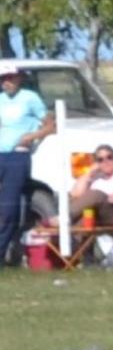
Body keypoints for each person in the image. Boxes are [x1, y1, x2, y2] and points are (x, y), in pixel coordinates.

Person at [0, 61, 55, 267]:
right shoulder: (1, 100)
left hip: (17, 154)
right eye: (3, 79)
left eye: (10, 78)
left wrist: (31, 136)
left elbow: (50, 124)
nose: (7, 83)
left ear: (18, 77)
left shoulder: (30, 98)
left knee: (9, 207)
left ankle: (3, 252)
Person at [69, 145, 113, 227]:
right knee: (86, 215)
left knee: (97, 195)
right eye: (100, 160)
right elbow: (75, 194)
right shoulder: (96, 178)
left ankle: (64, 218)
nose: (105, 161)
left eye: (109, 157)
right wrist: (89, 173)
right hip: (95, 217)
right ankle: (67, 237)